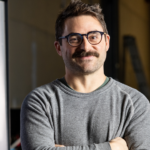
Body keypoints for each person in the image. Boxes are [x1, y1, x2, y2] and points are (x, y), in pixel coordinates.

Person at [20, 0, 150, 150]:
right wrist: (110, 148)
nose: (85, 46)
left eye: (94, 37)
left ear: (106, 42)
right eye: (74, 39)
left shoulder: (135, 103)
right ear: (59, 47)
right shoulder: (40, 102)